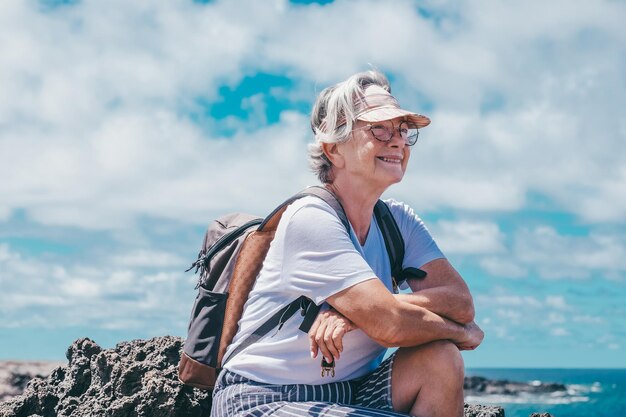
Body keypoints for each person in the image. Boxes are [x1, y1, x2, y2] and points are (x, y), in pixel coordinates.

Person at [210, 70, 484, 417]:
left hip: (351, 390)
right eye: (379, 129)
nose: (397, 140)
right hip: (262, 396)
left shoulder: (398, 222)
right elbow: (391, 324)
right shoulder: (311, 218)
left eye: (402, 129)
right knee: (446, 340)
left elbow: (461, 303)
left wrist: (357, 315)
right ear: (333, 149)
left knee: (441, 357)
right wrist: (458, 331)